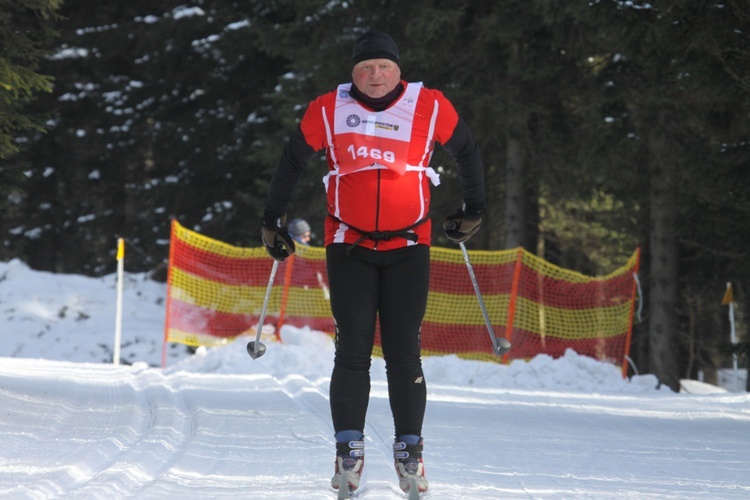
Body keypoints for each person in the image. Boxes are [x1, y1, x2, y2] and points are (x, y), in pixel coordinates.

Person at [260, 30, 485, 496]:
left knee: (404, 350)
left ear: (399, 70)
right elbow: (292, 160)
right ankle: (349, 452)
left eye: (383, 66)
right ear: (353, 74)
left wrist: (473, 209)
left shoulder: (430, 105)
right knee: (353, 349)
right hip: (349, 244)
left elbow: (465, 150)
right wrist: (272, 219)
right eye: (365, 68)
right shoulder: (328, 108)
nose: (375, 75)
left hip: (409, 244)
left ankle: (410, 453)